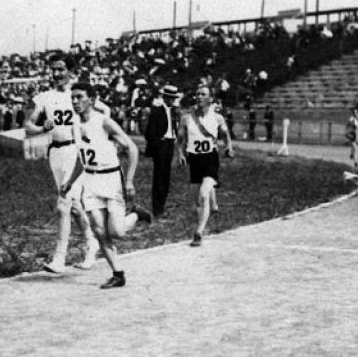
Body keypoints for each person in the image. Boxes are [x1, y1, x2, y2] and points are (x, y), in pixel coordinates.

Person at [61, 83, 151, 289]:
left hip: (111, 180)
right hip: (91, 182)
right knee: (100, 231)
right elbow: (81, 158)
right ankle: (118, 274)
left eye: (79, 97)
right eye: (72, 97)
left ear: (91, 100)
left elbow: (132, 149)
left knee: (117, 232)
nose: (75, 101)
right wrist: (70, 182)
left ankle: (136, 214)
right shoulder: (74, 125)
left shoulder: (104, 122)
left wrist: (129, 180)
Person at [24, 57, 100, 273]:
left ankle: (60, 257)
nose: (56, 74)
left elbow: (101, 112)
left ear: (71, 70)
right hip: (56, 153)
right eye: (53, 70)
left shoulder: (78, 94)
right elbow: (28, 125)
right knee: (74, 206)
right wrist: (41, 128)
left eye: (61, 70)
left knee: (63, 204)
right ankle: (92, 241)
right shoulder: (44, 97)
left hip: (75, 152)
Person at [176, 85, 234, 247]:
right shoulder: (186, 118)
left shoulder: (217, 118)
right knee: (194, 204)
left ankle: (199, 232)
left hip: (210, 159)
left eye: (203, 94)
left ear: (210, 99)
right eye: (197, 94)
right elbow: (180, 139)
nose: (199, 96)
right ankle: (213, 205)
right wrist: (179, 154)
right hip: (194, 160)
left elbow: (225, 134)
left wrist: (229, 146)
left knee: (203, 195)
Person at [144, 84, 180, 218]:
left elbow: (175, 128)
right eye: (169, 98)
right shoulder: (157, 111)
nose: (171, 101)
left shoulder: (174, 112)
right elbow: (149, 133)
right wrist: (159, 144)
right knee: (159, 177)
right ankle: (157, 208)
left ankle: (162, 205)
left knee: (166, 176)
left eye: (173, 98)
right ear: (164, 98)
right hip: (161, 145)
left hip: (170, 144)